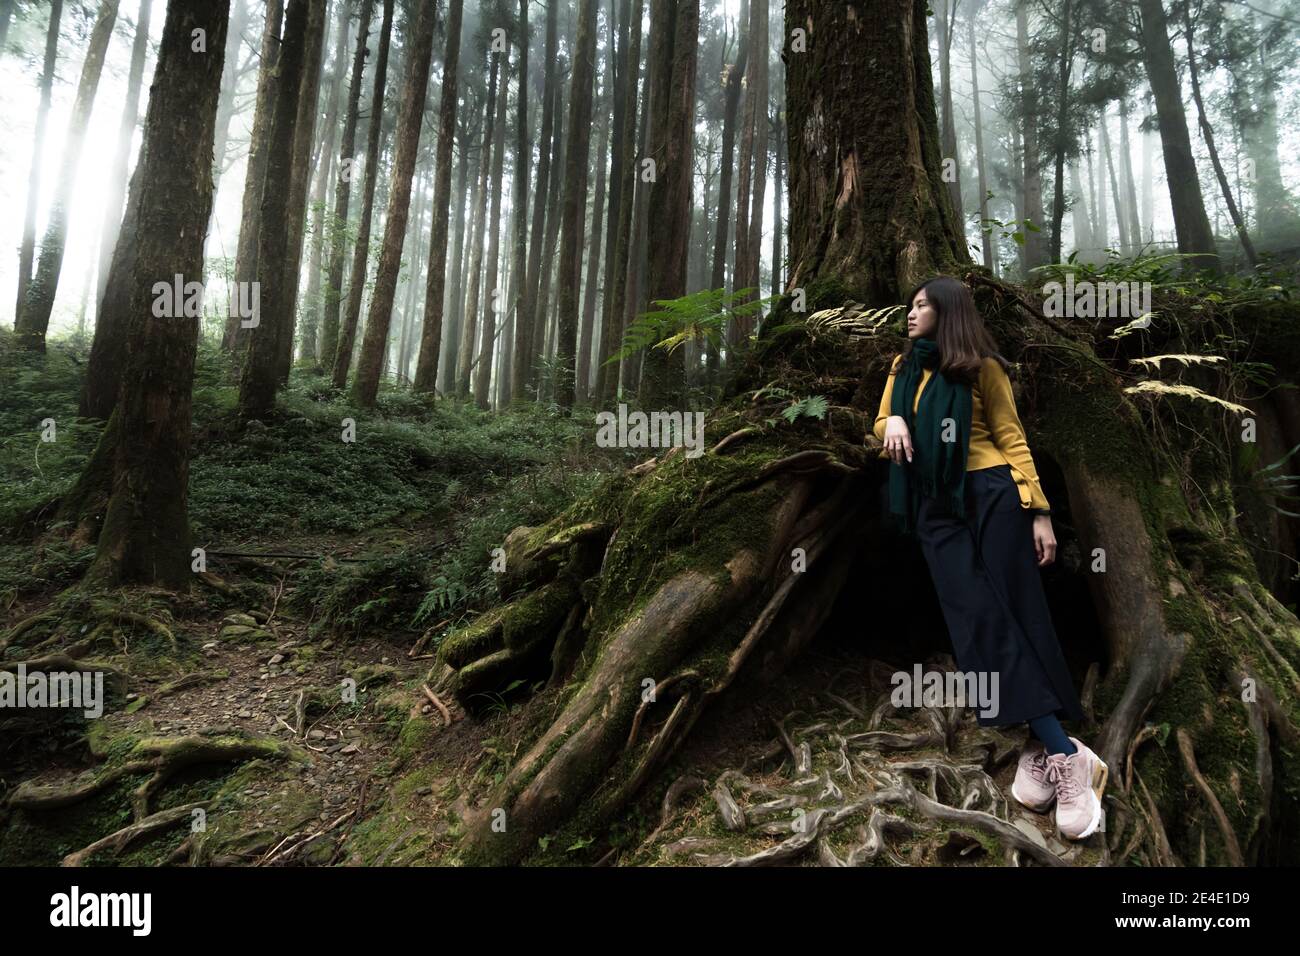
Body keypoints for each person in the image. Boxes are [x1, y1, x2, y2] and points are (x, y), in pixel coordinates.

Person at [872, 275, 1108, 841]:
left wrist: (1040, 510)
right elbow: (880, 424)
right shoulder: (901, 371)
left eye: (922, 304)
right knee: (976, 621)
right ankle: (1063, 749)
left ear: (948, 310)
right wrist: (895, 419)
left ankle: (1052, 750)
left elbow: (1012, 436)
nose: (911, 313)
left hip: (993, 497)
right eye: (910, 305)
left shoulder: (983, 367)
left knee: (1017, 613)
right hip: (934, 507)